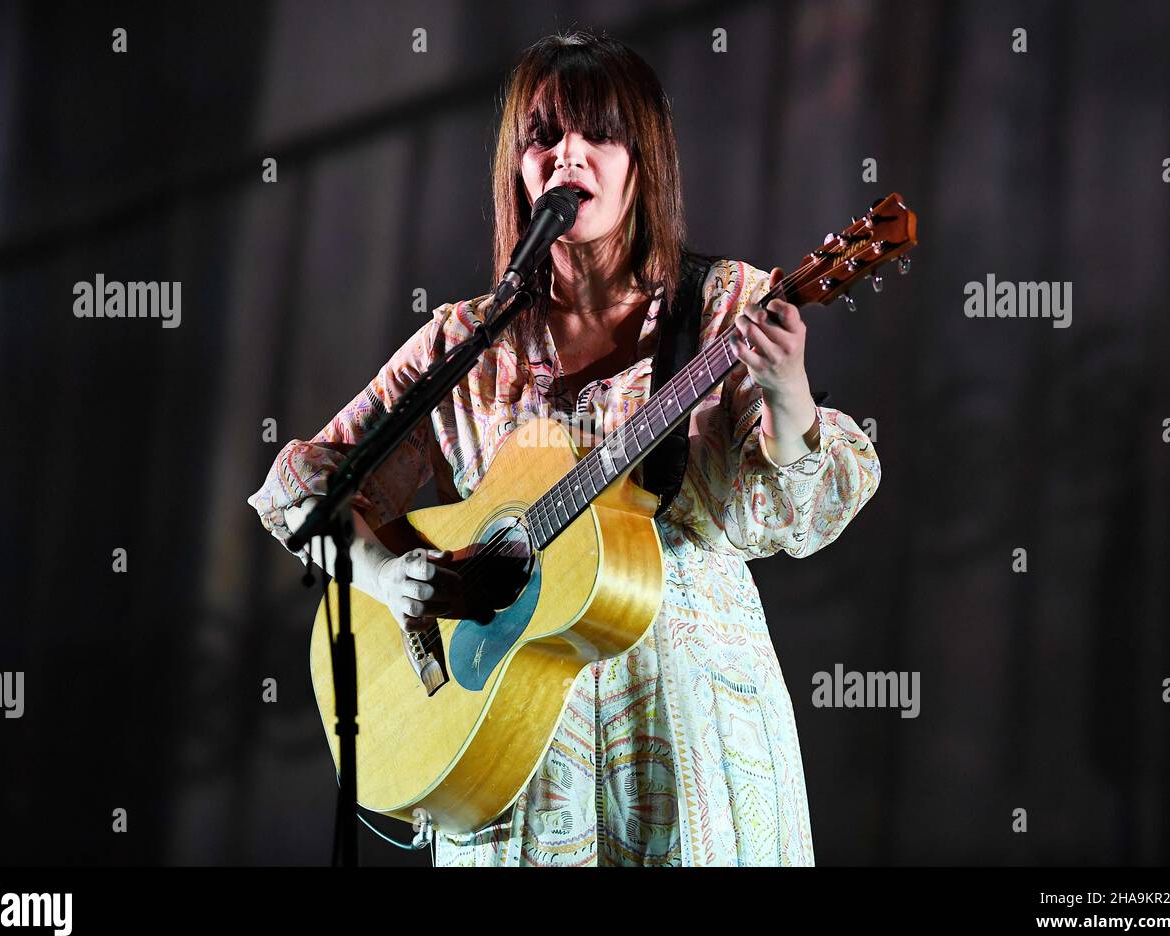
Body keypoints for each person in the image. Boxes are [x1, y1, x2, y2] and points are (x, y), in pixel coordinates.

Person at [248, 30, 880, 866]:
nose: (566, 155)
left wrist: (791, 393)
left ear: (641, 162)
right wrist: (382, 572)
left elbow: (788, 517)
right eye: (542, 136)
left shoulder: (725, 302)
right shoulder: (469, 339)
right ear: (518, 167)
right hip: (512, 746)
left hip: (686, 729)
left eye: (598, 135)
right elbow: (304, 481)